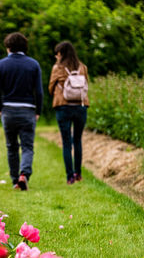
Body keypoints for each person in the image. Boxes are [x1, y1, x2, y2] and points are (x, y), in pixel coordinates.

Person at [0, 32, 43, 191]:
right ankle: (24, 174)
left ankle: (15, 180)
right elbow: (39, 92)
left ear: (8, 47)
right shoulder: (34, 64)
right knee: (27, 146)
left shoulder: (1, 64)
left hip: (8, 110)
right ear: (24, 47)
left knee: (11, 146)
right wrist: (38, 110)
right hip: (28, 110)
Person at [48, 41, 89, 185]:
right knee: (77, 140)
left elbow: (51, 87)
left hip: (63, 107)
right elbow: (86, 85)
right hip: (80, 107)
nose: (55, 56)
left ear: (61, 54)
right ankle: (78, 173)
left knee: (66, 142)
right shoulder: (82, 67)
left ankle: (70, 176)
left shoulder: (57, 68)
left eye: (57, 53)